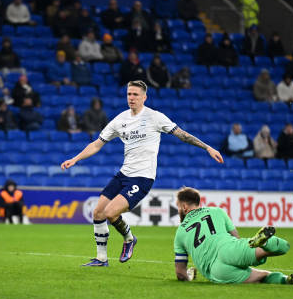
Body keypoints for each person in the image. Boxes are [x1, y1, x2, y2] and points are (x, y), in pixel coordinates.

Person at [60, 80, 223, 267]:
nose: (131, 98)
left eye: (135, 94)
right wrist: (76, 159)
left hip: (142, 177)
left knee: (111, 212)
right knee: (98, 212)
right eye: (129, 94)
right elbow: (97, 143)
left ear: (144, 97)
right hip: (124, 174)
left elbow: (182, 135)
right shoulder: (120, 120)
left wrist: (207, 147)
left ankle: (129, 239)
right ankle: (101, 259)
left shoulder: (155, 117)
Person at [173, 187, 293, 285]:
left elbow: (180, 273)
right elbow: (235, 236)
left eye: (178, 206)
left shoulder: (180, 232)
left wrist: (187, 277)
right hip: (230, 248)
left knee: (262, 277)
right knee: (281, 247)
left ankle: (286, 280)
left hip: (217, 270)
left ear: (184, 207)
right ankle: (263, 244)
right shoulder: (217, 211)